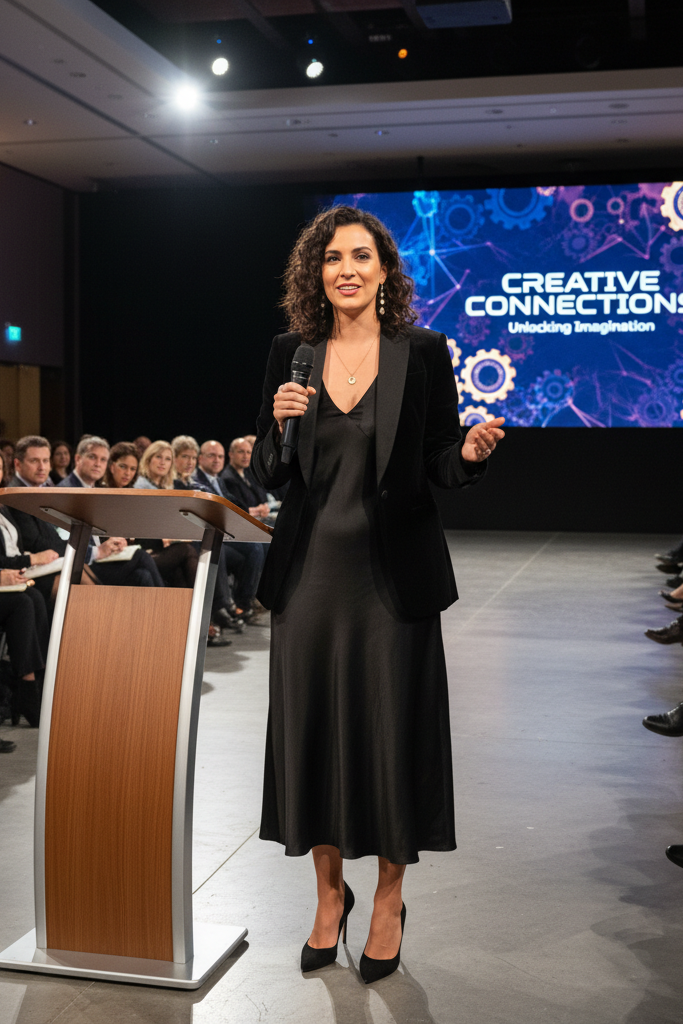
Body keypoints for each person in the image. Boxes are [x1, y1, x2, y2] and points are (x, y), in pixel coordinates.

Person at [251, 205, 504, 982]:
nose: (347, 269)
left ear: (385, 271)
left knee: (393, 740)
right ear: (315, 273)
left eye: (362, 256)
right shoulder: (290, 354)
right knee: (314, 739)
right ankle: (330, 898)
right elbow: (269, 472)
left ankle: (389, 898)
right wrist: (275, 427)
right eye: (332, 258)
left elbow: (439, 460)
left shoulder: (421, 352)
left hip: (393, 584)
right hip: (309, 583)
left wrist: (467, 451)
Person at [60, 437, 164, 588]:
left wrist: (113, 543)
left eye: (103, 460)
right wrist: (98, 550)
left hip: (100, 558)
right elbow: (62, 540)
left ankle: (159, 611)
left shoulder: (92, 490)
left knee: (142, 576)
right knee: (141, 556)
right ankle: (171, 610)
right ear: (77, 459)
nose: (98, 464)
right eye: (92, 457)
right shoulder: (67, 490)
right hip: (83, 565)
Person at [132, 441, 198, 588]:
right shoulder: (141, 486)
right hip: (145, 551)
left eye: (168, 459)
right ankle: (206, 607)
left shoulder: (165, 487)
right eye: (158, 457)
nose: (163, 462)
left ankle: (192, 609)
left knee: (180, 569)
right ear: (148, 460)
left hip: (162, 548)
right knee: (188, 551)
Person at [221, 438, 270, 519]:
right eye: (241, 452)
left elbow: (262, 497)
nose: (245, 456)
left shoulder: (248, 474)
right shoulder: (228, 478)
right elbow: (238, 510)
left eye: (248, 452)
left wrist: (263, 507)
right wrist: (258, 510)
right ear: (231, 454)